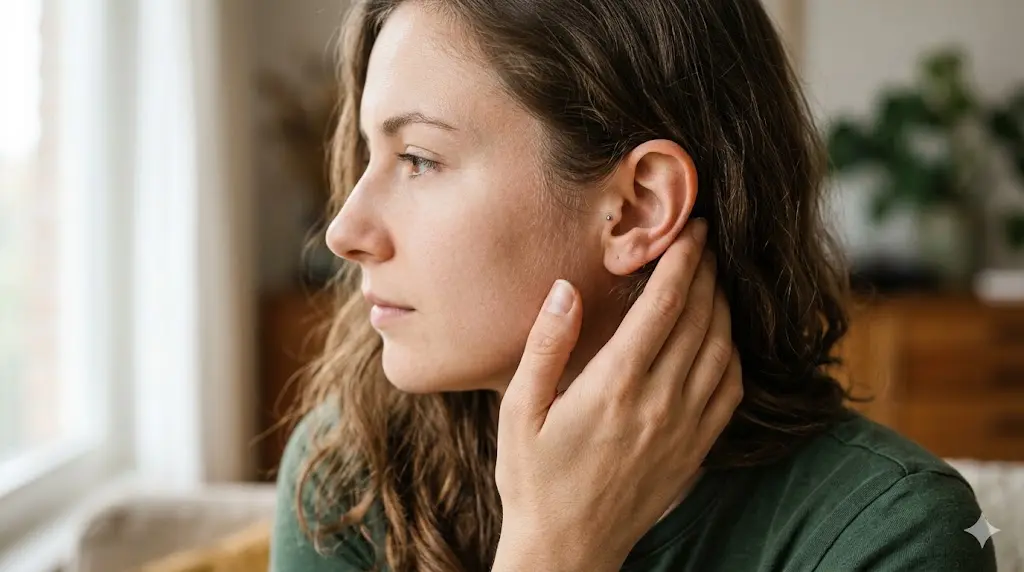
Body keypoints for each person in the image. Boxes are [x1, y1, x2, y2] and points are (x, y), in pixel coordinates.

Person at [270, 1, 998, 570]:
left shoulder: (890, 537)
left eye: (420, 159)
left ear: (638, 207)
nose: (345, 230)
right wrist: (555, 552)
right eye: (370, 153)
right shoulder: (352, 473)